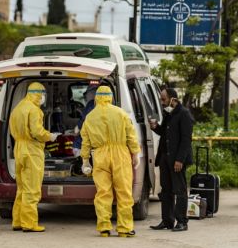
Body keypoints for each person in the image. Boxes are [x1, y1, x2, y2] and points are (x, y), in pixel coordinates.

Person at [79, 86, 140, 237]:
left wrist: (85, 160)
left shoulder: (90, 117)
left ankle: (104, 227)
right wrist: (135, 153)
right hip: (120, 154)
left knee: (103, 193)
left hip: (99, 155)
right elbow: (130, 135)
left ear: (97, 98)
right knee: (124, 192)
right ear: (111, 97)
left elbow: (85, 141)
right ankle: (125, 229)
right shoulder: (121, 113)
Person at [9, 82, 59, 232]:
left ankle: (18, 221)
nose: (43, 97)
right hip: (32, 150)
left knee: (22, 188)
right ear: (37, 94)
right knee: (32, 188)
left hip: (19, 148)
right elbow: (37, 132)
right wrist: (50, 136)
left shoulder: (18, 108)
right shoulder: (34, 110)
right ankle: (29, 224)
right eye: (42, 94)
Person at [149, 88, 194, 232]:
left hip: (176, 159)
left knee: (179, 190)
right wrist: (156, 127)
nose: (162, 102)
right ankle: (167, 220)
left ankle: (182, 221)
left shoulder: (184, 114)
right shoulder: (169, 114)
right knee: (166, 190)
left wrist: (180, 160)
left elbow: (186, 140)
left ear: (173, 99)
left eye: (163, 99)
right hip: (165, 157)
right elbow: (165, 133)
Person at [72, 83, 98, 156]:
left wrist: (77, 128)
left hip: (83, 146)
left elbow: (81, 125)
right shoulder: (111, 109)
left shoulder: (91, 104)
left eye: (87, 94)